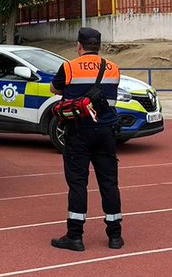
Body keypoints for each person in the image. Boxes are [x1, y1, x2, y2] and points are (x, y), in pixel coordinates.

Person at [49, 26, 124, 252]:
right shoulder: (113, 68)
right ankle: (115, 236)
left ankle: (75, 236)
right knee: (109, 183)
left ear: (79, 45)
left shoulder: (69, 67)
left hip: (78, 132)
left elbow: (55, 89)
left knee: (78, 183)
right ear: (98, 46)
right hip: (106, 132)